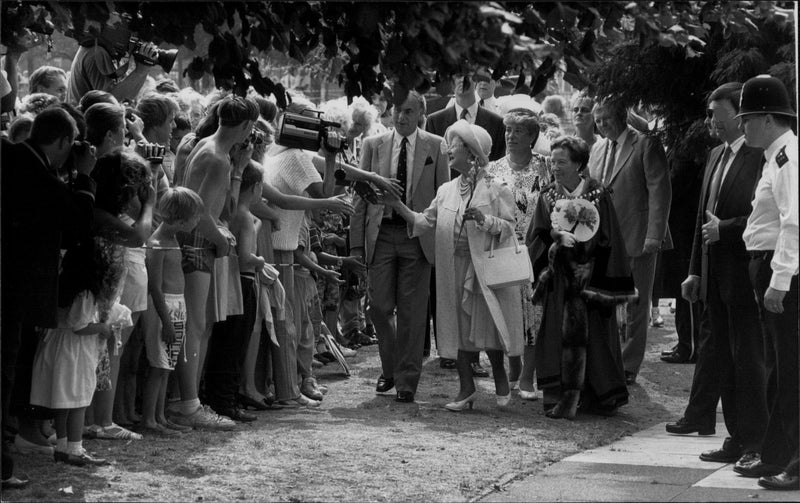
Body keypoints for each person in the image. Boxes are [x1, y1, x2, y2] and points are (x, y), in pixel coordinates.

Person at [385, 120, 523, 410]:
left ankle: (500, 375)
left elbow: (510, 228)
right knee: (455, 327)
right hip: (452, 269)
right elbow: (424, 221)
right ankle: (465, 389)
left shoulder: (495, 188)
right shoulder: (446, 190)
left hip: (484, 268)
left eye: (455, 144)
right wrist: (396, 205)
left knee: (488, 323)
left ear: (471, 152)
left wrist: (485, 220)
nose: (448, 149)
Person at [1, 108, 96, 485]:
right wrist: (86, 176)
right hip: (12, 291)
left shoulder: (9, 155)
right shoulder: (43, 179)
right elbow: (78, 227)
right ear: (60, 142)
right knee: (3, 374)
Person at [349, 90, 449, 403]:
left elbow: (442, 197)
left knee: (412, 312)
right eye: (397, 111)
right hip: (381, 236)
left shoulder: (436, 145)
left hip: (416, 239)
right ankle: (390, 367)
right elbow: (359, 196)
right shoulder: (373, 145)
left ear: (421, 112)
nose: (402, 118)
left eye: (409, 111)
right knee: (378, 307)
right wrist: (355, 246)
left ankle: (407, 382)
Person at [527, 135, 636, 418]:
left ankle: (600, 397)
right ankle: (561, 397)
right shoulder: (548, 196)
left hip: (592, 279)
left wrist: (594, 270)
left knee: (597, 338)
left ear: (579, 164)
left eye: (562, 162)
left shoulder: (599, 194)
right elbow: (536, 235)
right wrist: (555, 238)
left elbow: (611, 239)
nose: (555, 167)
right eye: (553, 162)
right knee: (557, 337)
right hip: (560, 281)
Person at [169, 95, 258, 430]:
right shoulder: (217, 157)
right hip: (198, 245)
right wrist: (222, 241)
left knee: (200, 327)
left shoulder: (205, 145)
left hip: (193, 243)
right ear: (247, 126)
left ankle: (190, 400)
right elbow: (202, 212)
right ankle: (189, 403)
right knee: (196, 327)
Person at [737, 75, 798, 490]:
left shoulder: (787, 158)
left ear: (765, 118)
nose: (742, 127)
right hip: (768, 267)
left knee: (791, 371)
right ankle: (777, 454)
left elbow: (794, 222)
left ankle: (794, 463)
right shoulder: (777, 155)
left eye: (746, 119)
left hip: (782, 274)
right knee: (779, 369)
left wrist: (779, 281)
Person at [588, 98, 672, 385]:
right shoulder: (597, 148)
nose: (601, 126)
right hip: (605, 237)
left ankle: (629, 365)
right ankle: (608, 359)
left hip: (639, 235)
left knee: (636, 304)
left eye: (606, 119)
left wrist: (654, 234)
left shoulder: (646, 143)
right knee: (606, 300)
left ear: (622, 116)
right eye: (597, 121)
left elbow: (659, 191)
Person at [29, 236, 132, 466]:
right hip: (73, 353)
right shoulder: (85, 294)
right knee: (77, 401)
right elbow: (80, 326)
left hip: (57, 347)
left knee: (63, 400)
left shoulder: (64, 286)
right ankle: (75, 448)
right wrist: (103, 327)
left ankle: (63, 445)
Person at [487, 109, 551, 400]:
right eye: (508, 130)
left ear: (532, 137)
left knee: (535, 314)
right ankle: (513, 369)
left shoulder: (546, 168)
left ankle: (528, 378)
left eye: (518, 132)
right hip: (504, 248)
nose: (510, 137)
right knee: (509, 311)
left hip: (538, 250)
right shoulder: (493, 169)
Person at [204, 163, 266, 422]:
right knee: (234, 344)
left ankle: (222, 397)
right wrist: (261, 261)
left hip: (232, 281)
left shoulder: (235, 214)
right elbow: (245, 258)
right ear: (256, 187)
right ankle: (225, 400)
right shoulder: (245, 217)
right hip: (244, 281)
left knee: (225, 342)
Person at [141, 187, 202, 435]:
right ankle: (150, 420)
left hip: (177, 306)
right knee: (158, 366)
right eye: (194, 217)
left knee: (167, 366)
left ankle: (160, 416)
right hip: (163, 308)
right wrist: (166, 322)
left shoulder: (173, 240)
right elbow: (154, 287)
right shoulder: (157, 244)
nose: (198, 221)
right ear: (179, 219)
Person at [426, 73, 506, 163]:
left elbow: (499, 161)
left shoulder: (497, 122)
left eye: (467, 75)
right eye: (458, 76)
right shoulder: (434, 121)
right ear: (451, 84)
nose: (462, 80)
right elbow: (430, 161)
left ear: (476, 80)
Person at [67, 37, 158, 104]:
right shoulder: (97, 53)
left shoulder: (101, 50)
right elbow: (110, 101)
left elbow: (128, 96)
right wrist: (141, 70)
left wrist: (145, 65)